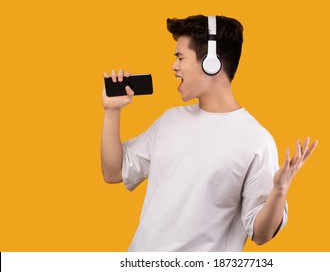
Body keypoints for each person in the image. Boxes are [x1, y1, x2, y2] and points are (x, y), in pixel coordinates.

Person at [100, 15, 318, 252]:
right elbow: (113, 172)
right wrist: (112, 111)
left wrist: (279, 190)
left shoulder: (256, 140)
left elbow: (261, 233)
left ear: (210, 62)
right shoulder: (170, 121)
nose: (174, 66)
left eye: (180, 57)